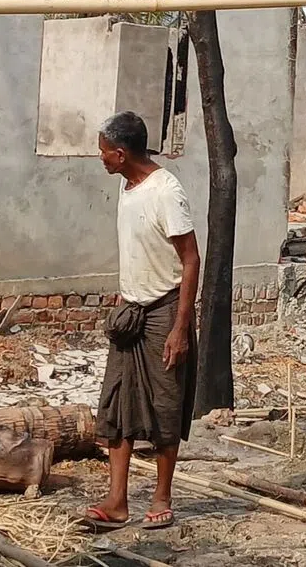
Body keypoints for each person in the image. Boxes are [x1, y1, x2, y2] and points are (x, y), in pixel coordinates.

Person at [83, 112, 200, 533]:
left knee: (165, 405)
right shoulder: (126, 184)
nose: (100, 159)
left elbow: (190, 259)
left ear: (120, 153)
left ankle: (162, 496)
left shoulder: (166, 192)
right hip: (130, 311)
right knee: (117, 403)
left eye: (103, 152)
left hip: (164, 311)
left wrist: (180, 327)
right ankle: (116, 501)